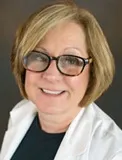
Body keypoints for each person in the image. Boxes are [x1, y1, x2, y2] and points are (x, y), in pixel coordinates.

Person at [0, 0, 122, 160]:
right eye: (38, 56)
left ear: (93, 71)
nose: (51, 75)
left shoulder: (113, 152)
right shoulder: (22, 113)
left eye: (71, 60)